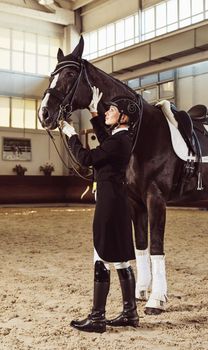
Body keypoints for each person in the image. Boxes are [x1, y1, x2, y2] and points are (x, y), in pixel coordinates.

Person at [60, 87, 140, 333]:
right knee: (120, 259)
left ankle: (97, 318)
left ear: (124, 117)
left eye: (112, 110)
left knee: (101, 255)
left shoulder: (119, 141)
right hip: (117, 200)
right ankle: (129, 313)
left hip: (110, 202)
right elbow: (106, 139)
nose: (108, 112)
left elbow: (85, 158)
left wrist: (70, 134)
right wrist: (94, 111)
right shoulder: (122, 138)